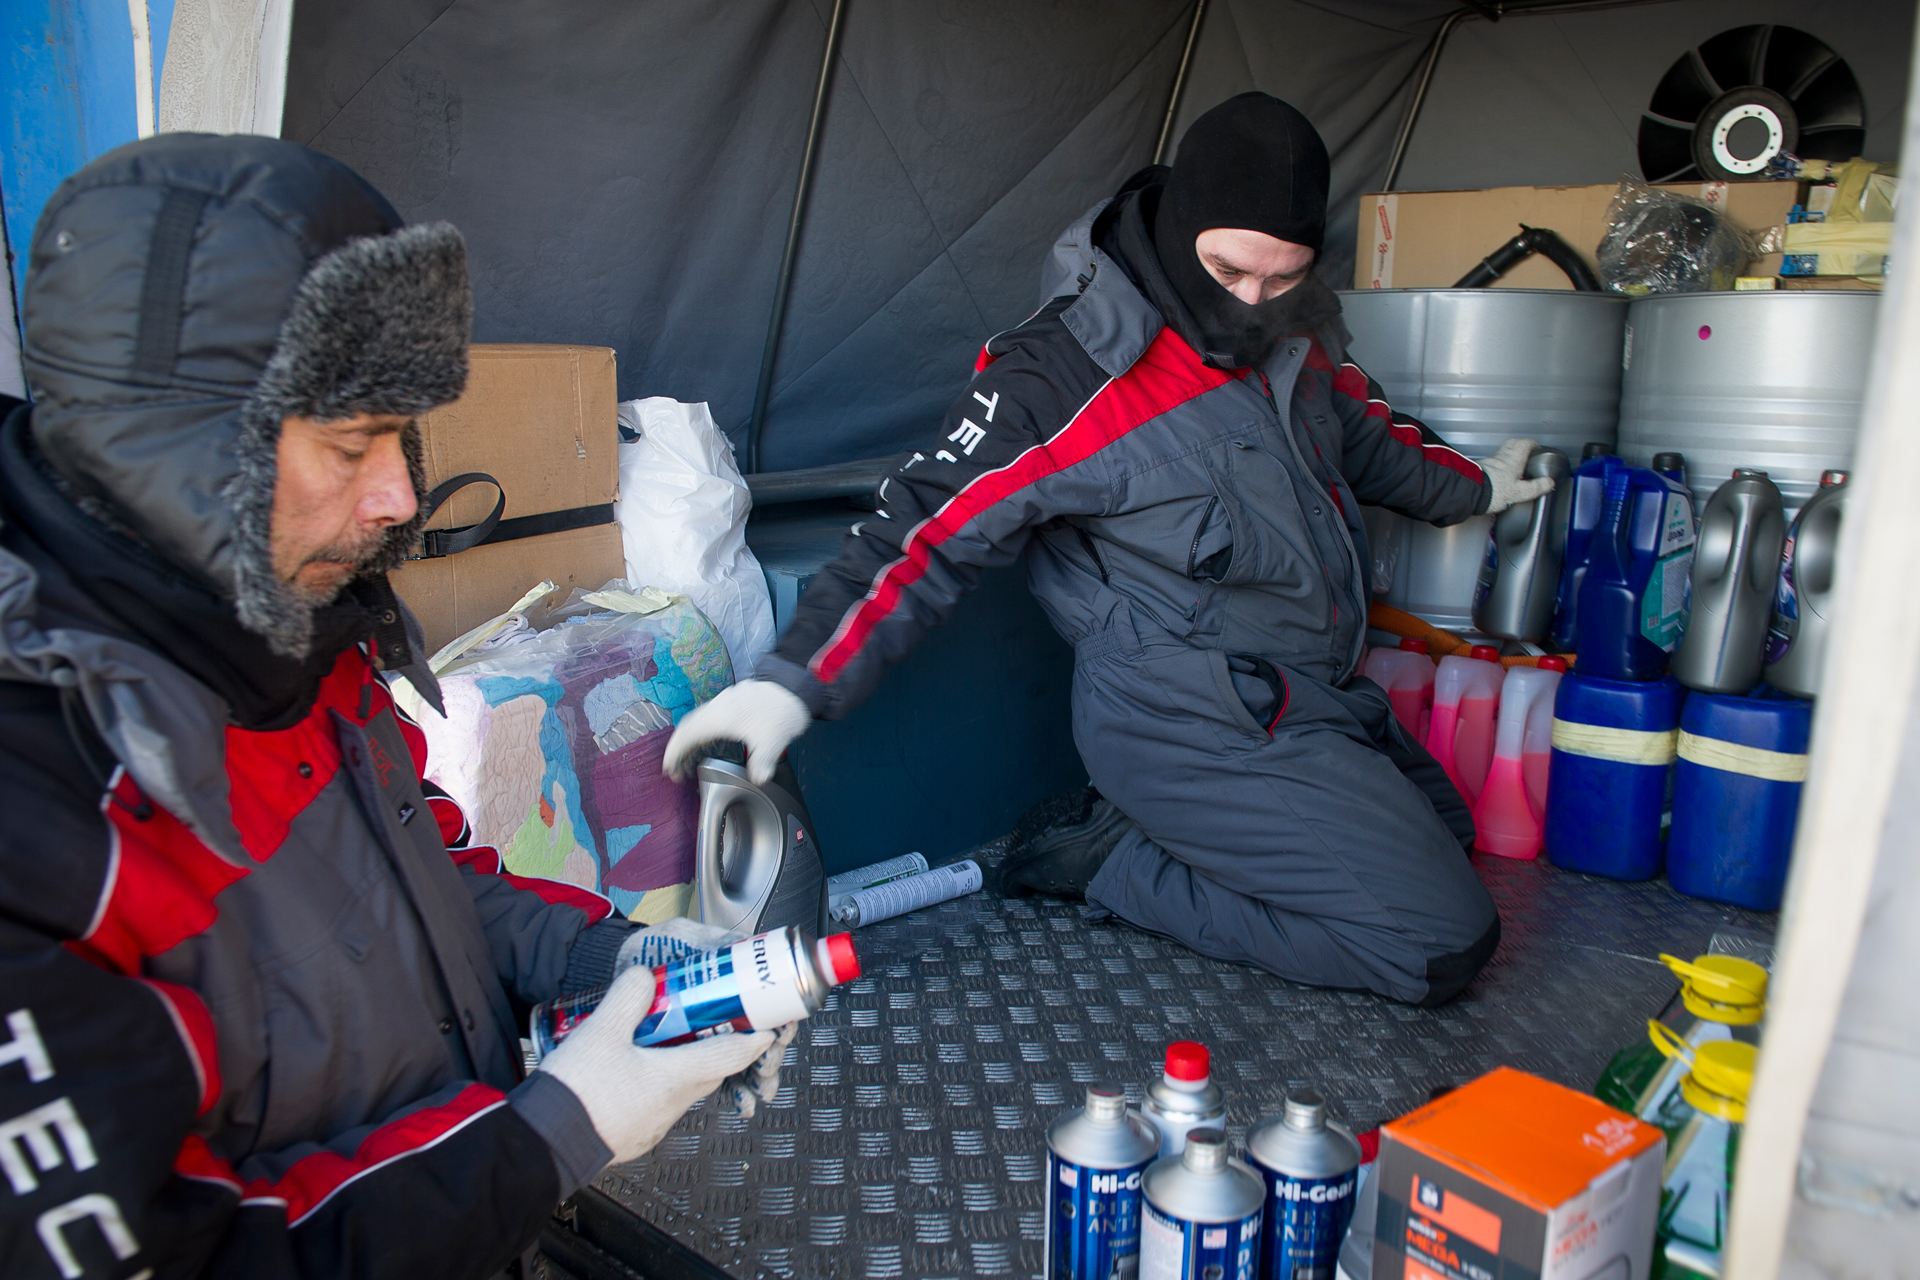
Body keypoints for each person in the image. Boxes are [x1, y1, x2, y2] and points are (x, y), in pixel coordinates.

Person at [0, 134, 785, 1279]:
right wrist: (549, 1135)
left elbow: (429, 874)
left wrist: (608, 958)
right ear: (172, 456)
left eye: (403, 436)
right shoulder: (41, 821)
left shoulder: (296, 631)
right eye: (348, 445)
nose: (400, 494)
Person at [666, 94, 1553, 1007]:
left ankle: (1186, 838)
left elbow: (1366, 432)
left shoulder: (1292, 327)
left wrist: (1478, 487)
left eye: (1282, 278)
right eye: (1229, 270)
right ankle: (1117, 862)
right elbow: (919, 532)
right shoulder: (1065, 374)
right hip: (1186, 721)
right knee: (1438, 942)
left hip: (1309, 698)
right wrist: (791, 683)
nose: (1252, 303)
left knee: (1450, 840)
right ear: (1179, 226)